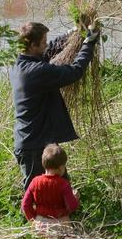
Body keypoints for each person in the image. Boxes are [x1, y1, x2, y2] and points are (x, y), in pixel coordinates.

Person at [11, 19, 100, 189]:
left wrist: (73, 33)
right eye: (43, 42)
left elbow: (48, 50)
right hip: (33, 147)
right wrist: (89, 42)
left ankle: (67, 214)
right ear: (32, 45)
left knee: (62, 188)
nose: (46, 45)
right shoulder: (36, 72)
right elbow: (75, 71)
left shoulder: (21, 63)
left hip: (37, 141)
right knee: (37, 195)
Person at [21, 144, 80, 230]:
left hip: (41, 223)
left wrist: (33, 220)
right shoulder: (64, 184)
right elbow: (72, 206)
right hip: (61, 223)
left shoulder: (35, 182)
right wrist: (75, 198)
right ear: (60, 168)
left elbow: (25, 205)